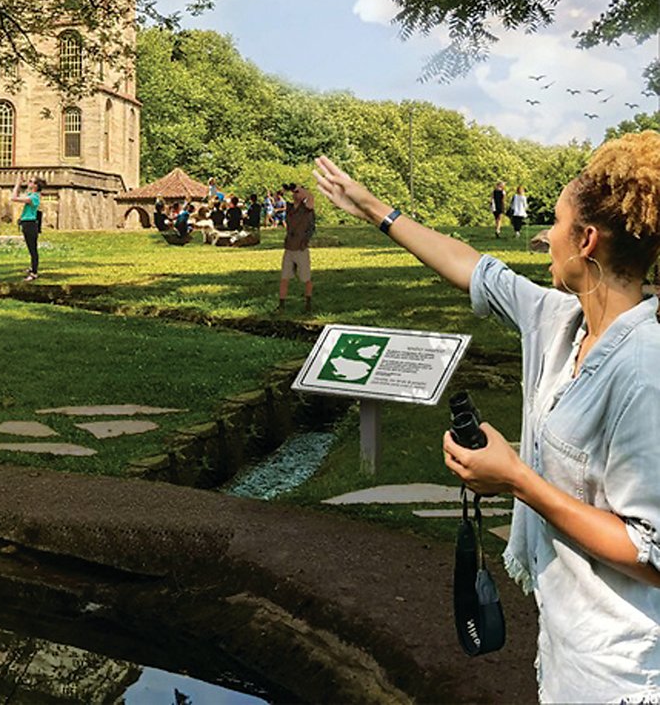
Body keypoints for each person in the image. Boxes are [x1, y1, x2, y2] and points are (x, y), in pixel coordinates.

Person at [313, 133, 660, 703]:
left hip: (622, 670)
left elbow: (653, 554)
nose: (545, 236)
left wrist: (517, 479)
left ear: (587, 241)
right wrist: (375, 209)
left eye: (555, 223)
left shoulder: (644, 372)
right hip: (566, 642)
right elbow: (474, 267)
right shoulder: (557, 319)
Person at [278, 182, 315, 313]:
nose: (295, 194)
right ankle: (281, 304)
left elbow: (310, 197)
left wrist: (299, 189)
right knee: (284, 277)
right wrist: (287, 189)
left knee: (306, 277)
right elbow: (278, 196)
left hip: (301, 247)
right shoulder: (289, 208)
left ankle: (308, 303)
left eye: (298, 192)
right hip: (289, 246)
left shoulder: (307, 209)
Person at [12, 176, 42, 282]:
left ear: (36, 186)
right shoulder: (31, 195)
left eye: (31, 182)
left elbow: (14, 198)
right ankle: (32, 268)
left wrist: (17, 184)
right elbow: (18, 195)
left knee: (33, 250)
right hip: (27, 224)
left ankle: (34, 273)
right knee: (31, 249)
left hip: (30, 225)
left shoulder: (34, 197)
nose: (28, 183)